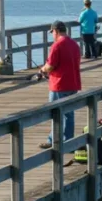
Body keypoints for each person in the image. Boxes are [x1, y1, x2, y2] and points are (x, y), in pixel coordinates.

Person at [38, 21, 82, 149]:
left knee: (55, 113)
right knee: (69, 114)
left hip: (59, 84)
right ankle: (68, 141)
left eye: (52, 32)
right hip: (73, 83)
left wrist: (42, 70)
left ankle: (53, 141)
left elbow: (50, 66)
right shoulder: (74, 44)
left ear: (55, 31)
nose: (52, 35)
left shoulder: (57, 46)